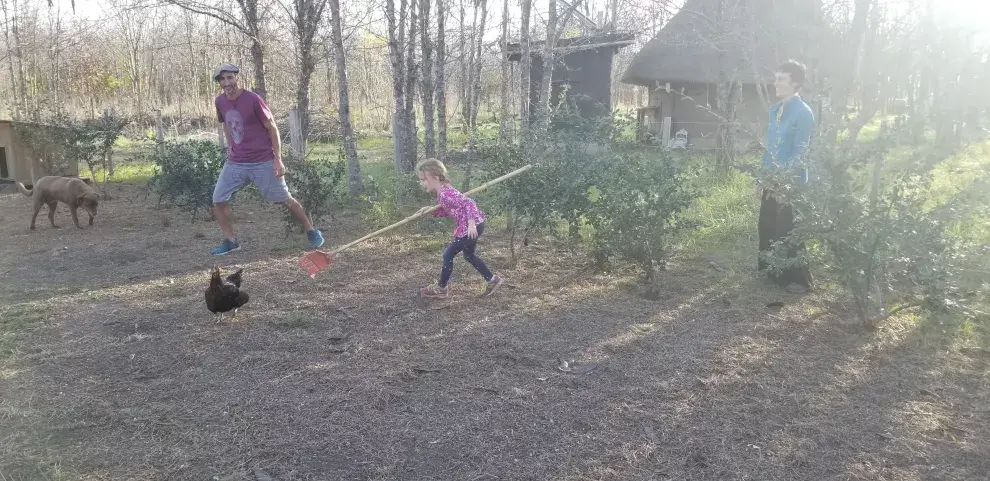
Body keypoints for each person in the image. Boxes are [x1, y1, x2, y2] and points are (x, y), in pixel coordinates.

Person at [209, 63, 324, 255]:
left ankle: (311, 231)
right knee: (218, 198)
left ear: (237, 77)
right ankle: (231, 241)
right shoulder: (220, 101)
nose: (227, 82)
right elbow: (227, 125)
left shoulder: (253, 99)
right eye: (222, 79)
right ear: (219, 82)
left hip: (262, 160)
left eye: (230, 78)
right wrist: (231, 148)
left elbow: (272, 128)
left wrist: (277, 159)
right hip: (236, 162)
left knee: (284, 199)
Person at [758, 59, 815, 293]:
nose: (775, 83)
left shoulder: (804, 113)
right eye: (775, 78)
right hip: (771, 179)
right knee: (767, 226)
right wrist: (762, 177)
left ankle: (799, 279)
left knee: (788, 230)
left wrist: (785, 181)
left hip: (791, 183)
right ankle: (772, 272)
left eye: (781, 79)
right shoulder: (775, 111)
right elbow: (770, 147)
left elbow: (800, 152)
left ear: (796, 83)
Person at [414, 158, 504, 298]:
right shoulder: (443, 192)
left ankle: (441, 288)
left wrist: (471, 224)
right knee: (468, 255)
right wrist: (431, 210)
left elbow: (469, 203)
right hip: (472, 225)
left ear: (435, 178)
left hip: (471, 227)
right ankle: (493, 280)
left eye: (423, 180)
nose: (422, 183)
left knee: (448, 254)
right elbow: (451, 209)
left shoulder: (445, 193)